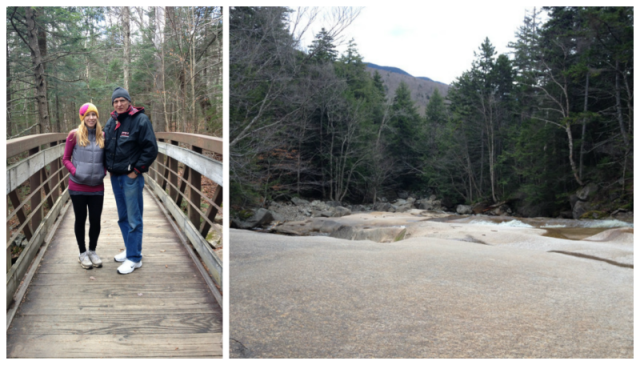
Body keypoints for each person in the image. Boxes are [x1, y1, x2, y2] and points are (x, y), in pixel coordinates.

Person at [103, 87, 158, 275]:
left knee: (134, 219)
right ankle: (130, 249)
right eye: (115, 101)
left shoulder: (140, 120)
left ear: (129, 101)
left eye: (122, 100)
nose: (119, 104)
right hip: (115, 176)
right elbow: (106, 146)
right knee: (123, 217)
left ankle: (134, 258)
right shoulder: (112, 121)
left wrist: (136, 171)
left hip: (131, 177)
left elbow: (150, 149)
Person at [62, 103, 107, 270]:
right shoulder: (74, 135)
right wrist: (76, 172)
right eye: (87, 115)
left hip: (97, 187)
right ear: (83, 117)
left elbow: (107, 158)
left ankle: (92, 251)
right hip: (78, 186)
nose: (91, 118)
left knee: (95, 220)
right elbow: (65, 159)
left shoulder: (103, 135)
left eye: (94, 114)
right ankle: (82, 253)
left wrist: (104, 171)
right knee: (80, 220)